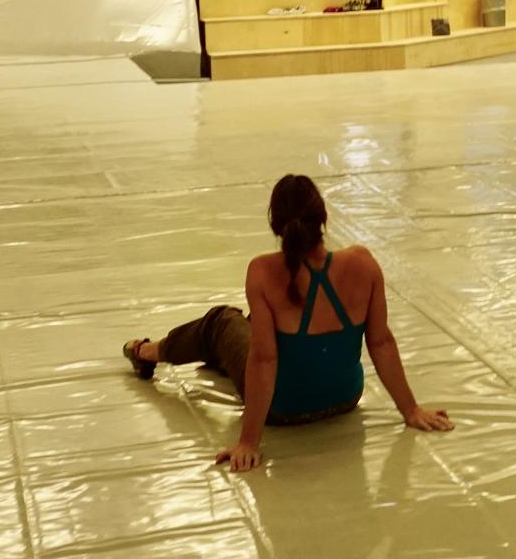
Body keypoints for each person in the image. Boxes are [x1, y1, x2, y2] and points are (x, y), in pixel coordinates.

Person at [121, 174, 454, 471]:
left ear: (276, 225)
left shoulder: (263, 272)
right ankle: (215, 354)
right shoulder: (363, 264)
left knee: (223, 321)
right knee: (252, 324)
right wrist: (410, 410)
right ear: (322, 218)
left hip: (283, 410)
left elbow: (264, 359)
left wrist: (249, 442)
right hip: (344, 398)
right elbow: (381, 343)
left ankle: (147, 352)